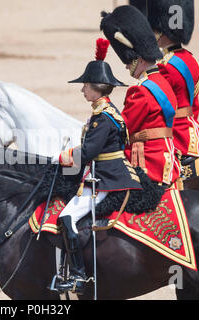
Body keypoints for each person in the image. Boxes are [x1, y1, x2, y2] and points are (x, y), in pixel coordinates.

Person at [51, 38, 143, 294]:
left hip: (108, 178)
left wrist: (63, 157)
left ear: (97, 88)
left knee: (66, 217)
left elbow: (89, 152)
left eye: (85, 86)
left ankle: (79, 276)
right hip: (105, 174)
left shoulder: (102, 118)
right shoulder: (105, 112)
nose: (82, 91)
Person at [100, 5, 180, 186]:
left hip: (149, 164)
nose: (127, 66)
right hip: (167, 159)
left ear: (141, 59)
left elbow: (122, 129)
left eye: (130, 61)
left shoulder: (141, 91)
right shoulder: (163, 82)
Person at [130, 0, 199, 161]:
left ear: (161, 32)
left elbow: (156, 108)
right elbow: (193, 104)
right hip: (192, 134)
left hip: (176, 137)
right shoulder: (190, 59)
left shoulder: (165, 67)